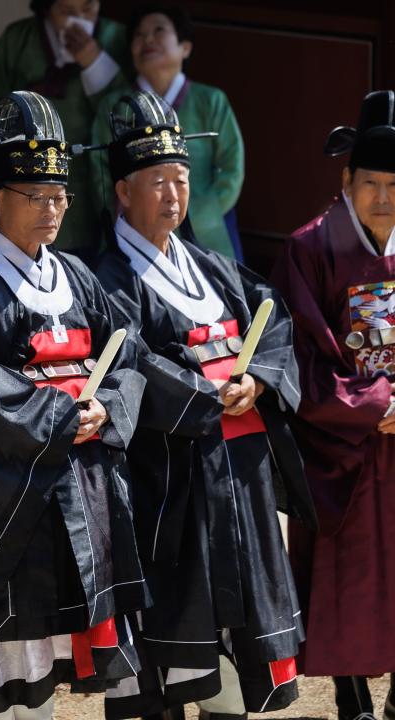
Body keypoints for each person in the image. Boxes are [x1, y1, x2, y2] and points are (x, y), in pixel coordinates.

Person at [0, 90, 148, 719]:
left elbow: (124, 357)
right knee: (6, 684)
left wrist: (105, 406)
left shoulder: (78, 276)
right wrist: (57, 415)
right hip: (5, 506)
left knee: (54, 665)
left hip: (81, 491)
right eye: (36, 197)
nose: (52, 210)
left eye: (60, 196)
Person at [91, 92, 314, 720]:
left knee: (235, 651)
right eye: (156, 182)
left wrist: (261, 382)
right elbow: (127, 359)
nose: (172, 195)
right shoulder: (108, 280)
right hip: (171, 485)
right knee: (173, 648)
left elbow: (271, 323)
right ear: (122, 192)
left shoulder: (213, 267)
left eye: (181, 180)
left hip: (238, 473)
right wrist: (207, 394)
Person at [269, 89, 395, 720]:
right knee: (345, 572)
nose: (383, 198)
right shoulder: (310, 248)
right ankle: (351, 697)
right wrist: (376, 406)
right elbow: (304, 357)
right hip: (345, 441)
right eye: (371, 183)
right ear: (347, 179)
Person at [90, 4, 245, 262]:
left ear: (185, 47)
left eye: (158, 30)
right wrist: (129, 209)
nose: (147, 39)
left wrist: (201, 210)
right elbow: (100, 170)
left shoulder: (210, 100)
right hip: (134, 231)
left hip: (206, 232)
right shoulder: (114, 106)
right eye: (139, 35)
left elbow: (232, 168)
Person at [0, 0, 130, 261]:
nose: (78, 19)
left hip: (96, 177)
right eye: (65, 11)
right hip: (29, 176)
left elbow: (127, 111)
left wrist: (95, 62)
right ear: (46, 8)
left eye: (88, 9)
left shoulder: (118, 37)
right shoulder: (19, 39)